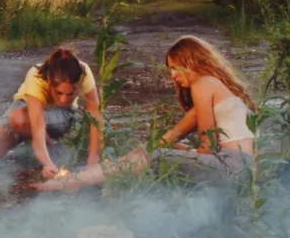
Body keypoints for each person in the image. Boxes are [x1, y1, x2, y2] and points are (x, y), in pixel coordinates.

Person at [32, 35, 256, 193]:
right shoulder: (214, 89)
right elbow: (168, 137)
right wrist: (159, 148)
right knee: (155, 150)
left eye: (176, 68)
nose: (173, 76)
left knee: (155, 157)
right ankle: (78, 179)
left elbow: (208, 147)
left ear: (192, 61)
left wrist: (170, 151)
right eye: (169, 70)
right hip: (239, 169)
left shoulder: (203, 84)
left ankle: (74, 181)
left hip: (232, 169)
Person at [0, 48, 103, 178]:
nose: (64, 99)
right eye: (59, 93)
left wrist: (93, 161)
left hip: (62, 114)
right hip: (26, 110)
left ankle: (52, 150)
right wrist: (47, 163)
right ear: (49, 82)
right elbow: (37, 127)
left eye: (70, 94)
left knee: (21, 119)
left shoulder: (83, 73)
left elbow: (95, 117)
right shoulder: (36, 75)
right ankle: (50, 147)